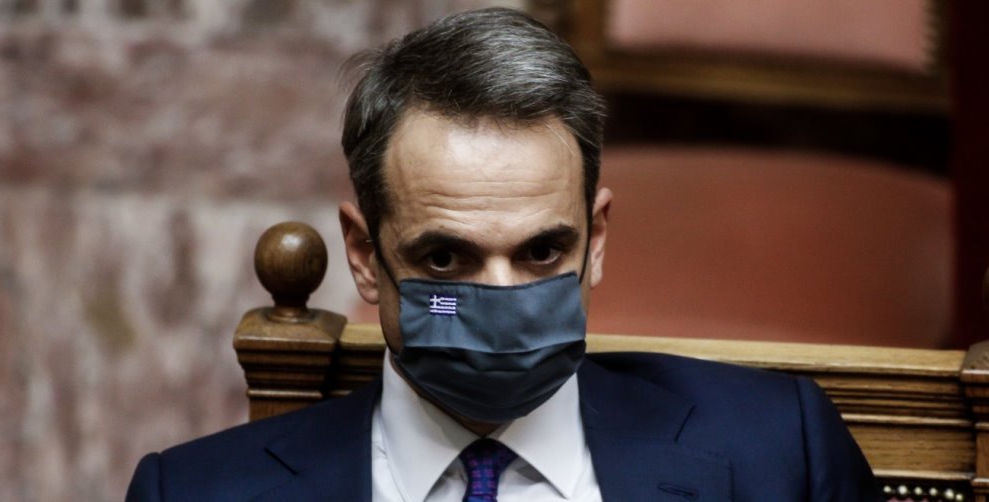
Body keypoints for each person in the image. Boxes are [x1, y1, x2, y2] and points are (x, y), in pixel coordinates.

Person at [127, 8, 880, 501]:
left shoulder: (777, 452)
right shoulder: (194, 492)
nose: (502, 301)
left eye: (542, 252)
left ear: (597, 241)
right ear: (363, 255)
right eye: (444, 262)